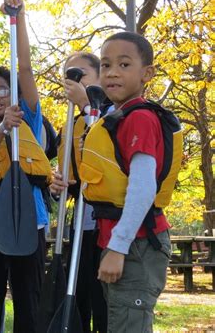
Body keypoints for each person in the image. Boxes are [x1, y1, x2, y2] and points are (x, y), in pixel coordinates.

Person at [78, 32, 180, 332]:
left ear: (146, 73)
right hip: (125, 239)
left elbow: (143, 187)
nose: (111, 72)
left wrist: (118, 247)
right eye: (106, 65)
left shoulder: (139, 118)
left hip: (136, 243)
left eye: (124, 64)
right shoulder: (120, 117)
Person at [0, 0, 52, 333]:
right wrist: (2, 129)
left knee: (29, 300)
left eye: (2, 90)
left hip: (29, 220)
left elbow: (26, 68)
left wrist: (19, 18)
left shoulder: (28, 119)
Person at [51, 52, 109, 332]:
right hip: (81, 225)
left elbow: (111, 150)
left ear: (100, 78)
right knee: (80, 299)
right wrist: (56, 184)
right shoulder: (70, 125)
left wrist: (88, 106)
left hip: (109, 225)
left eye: (81, 75)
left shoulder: (115, 115)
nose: (73, 81)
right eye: (68, 76)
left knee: (106, 303)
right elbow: (68, 174)